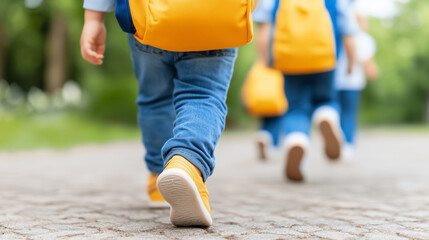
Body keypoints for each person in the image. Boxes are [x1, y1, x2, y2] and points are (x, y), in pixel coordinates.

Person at [80, 0, 258, 227]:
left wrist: (93, 19)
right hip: (216, 17)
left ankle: (158, 180)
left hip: (149, 18)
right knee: (203, 95)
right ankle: (186, 161)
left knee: (155, 100)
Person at [252, 0, 358, 181]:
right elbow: (348, 31)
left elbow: (265, 29)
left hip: (289, 59)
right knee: (325, 99)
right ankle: (326, 115)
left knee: (295, 107)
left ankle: (296, 139)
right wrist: (350, 63)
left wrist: (265, 59)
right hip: (325, 59)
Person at [336, 12, 379, 160]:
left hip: (332, 80)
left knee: (334, 113)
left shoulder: (336, 33)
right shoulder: (364, 39)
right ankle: (347, 146)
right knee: (348, 114)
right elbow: (369, 68)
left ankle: (334, 142)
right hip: (352, 82)